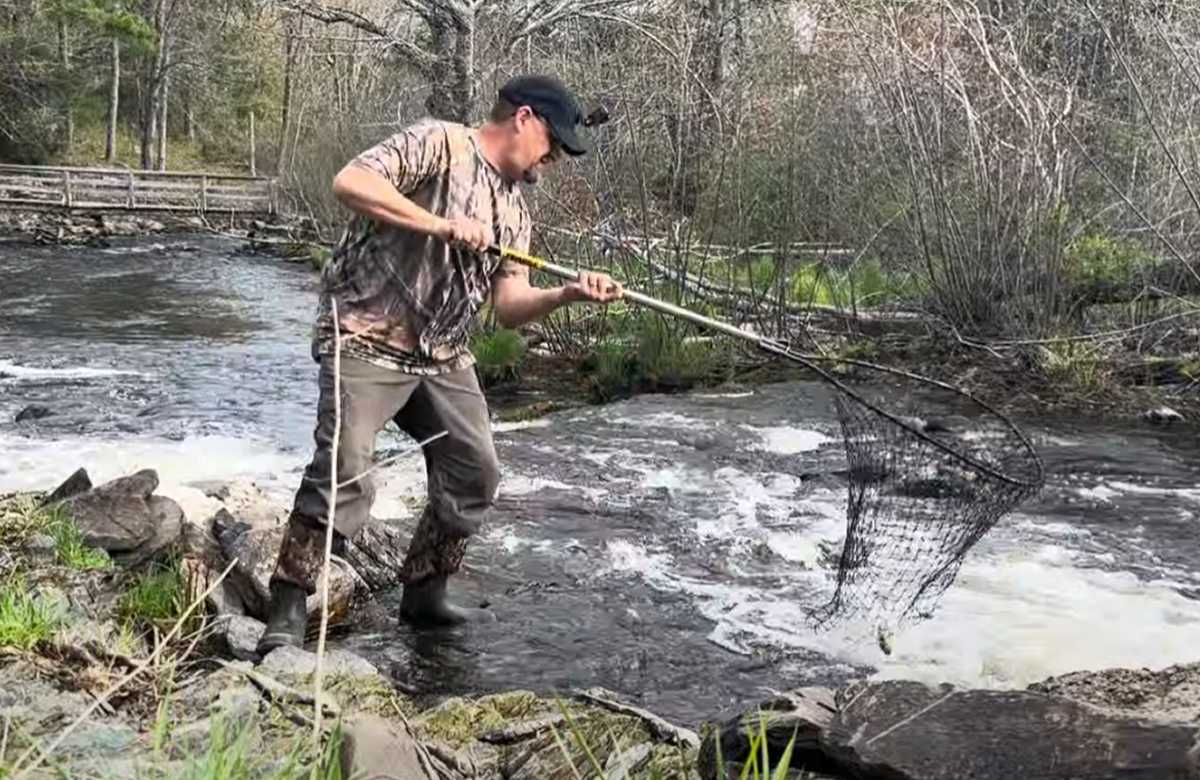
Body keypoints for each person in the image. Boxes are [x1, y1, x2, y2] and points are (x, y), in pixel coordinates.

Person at [256, 74, 623, 655]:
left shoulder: (517, 210)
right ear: (524, 119)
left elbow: (508, 308)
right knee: (347, 468)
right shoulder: (438, 143)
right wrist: (443, 226)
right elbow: (349, 181)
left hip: (445, 355)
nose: (554, 158)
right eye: (553, 142)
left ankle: (424, 594)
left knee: (476, 472)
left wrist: (567, 295)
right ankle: (289, 602)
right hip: (366, 335)